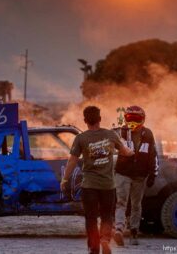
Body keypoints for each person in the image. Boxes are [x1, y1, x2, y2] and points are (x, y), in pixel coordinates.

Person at [60, 106, 134, 254]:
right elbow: (125, 152)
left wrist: (65, 179)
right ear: (100, 119)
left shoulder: (81, 138)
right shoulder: (111, 135)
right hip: (108, 185)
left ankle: (94, 248)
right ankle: (105, 240)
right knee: (107, 215)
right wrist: (131, 151)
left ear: (85, 120)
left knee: (91, 218)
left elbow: (72, 161)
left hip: (89, 186)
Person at [114, 105, 159, 246]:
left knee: (136, 205)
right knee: (121, 202)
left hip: (140, 176)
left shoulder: (148, 134)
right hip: (123, 173)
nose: (133, 121)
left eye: (136, 118)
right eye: (130, 118)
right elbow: (111, 153)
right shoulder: (119, 132)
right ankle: (119, 230)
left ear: (143, 119)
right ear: (125, 119)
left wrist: (153, 173)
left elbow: (153, 155)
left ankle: (134, 232)